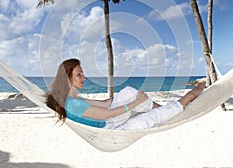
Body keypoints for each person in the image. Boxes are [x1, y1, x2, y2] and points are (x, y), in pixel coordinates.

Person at [46, 58, 205, 130]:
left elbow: (105, 104)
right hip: (110, 128)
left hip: (111, 120)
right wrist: (135, 103)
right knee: (145, 119)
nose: (83, 77)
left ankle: (167, 109)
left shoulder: (73, 98)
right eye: (79, 74)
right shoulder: (73, 103)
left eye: (82, 73)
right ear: (67, 77)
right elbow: (109, 114)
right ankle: (188, 97)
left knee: (128, 91)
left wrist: (119, 98)